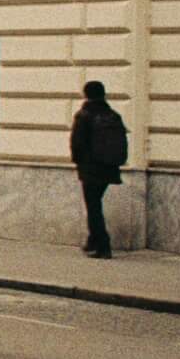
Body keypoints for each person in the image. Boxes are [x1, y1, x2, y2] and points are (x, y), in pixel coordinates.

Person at [69, 80, 127, 260]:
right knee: (96, 204)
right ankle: (92, 241)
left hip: (90, 168)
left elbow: (77, 143)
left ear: (86, 94)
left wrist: (79, 162)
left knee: (93, 207)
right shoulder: (113, 115)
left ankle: (103, 245)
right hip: (109, 167)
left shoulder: (84, 115)